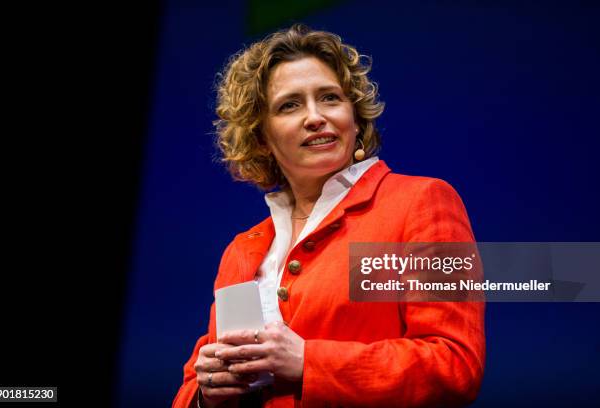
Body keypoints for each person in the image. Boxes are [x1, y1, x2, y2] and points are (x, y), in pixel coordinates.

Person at [173, 24, 485, 408]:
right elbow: (192, 387)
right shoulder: (241, 252)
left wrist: (308, 362)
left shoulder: (421, 203)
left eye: (330, 98)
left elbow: (453, 366)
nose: (315, 117)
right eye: (290, 105)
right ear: (261, 138)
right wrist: (207, 394)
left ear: (355, 118)